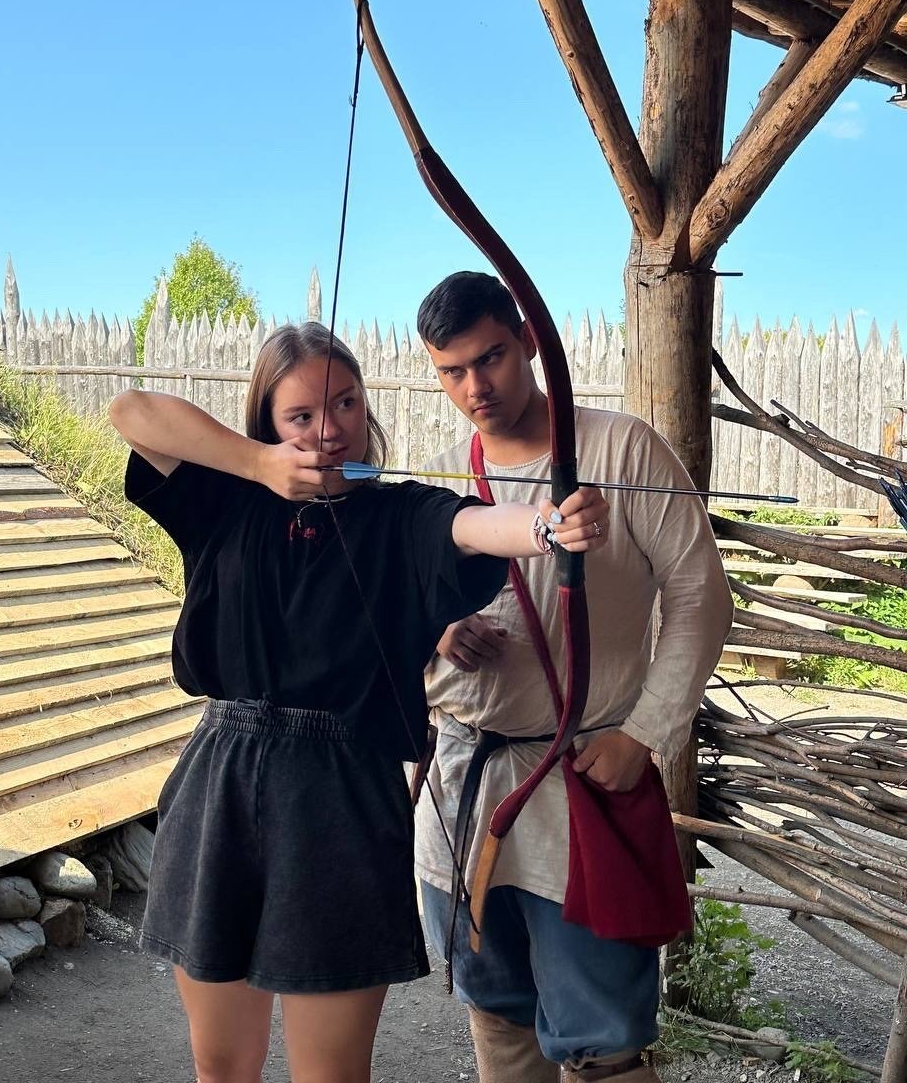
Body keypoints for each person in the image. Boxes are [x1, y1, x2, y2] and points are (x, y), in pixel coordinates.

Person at [108, 320, 610, 1083]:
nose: (328, 428)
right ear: (267, 420)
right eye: (300, 414)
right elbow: (131, 412)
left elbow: (476, 525)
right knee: (221, 1065)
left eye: (344, 403)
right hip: (221, 783)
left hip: (342, 794)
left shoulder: (398, 515)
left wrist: (547, 525)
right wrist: (259, 465)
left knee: (333, 1074)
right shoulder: (226, 499)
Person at [413, 273, 734, 1083]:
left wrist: (643, 735)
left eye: (491, 357)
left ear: (529, 340)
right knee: (497, 1013)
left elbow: (700, 598)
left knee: (602, 1044)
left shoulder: (623, 450)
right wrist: (436, 629)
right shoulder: (440, 481)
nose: (476, 387)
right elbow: (386, 619)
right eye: (453, 371)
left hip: (579, 786)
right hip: (466, 788)